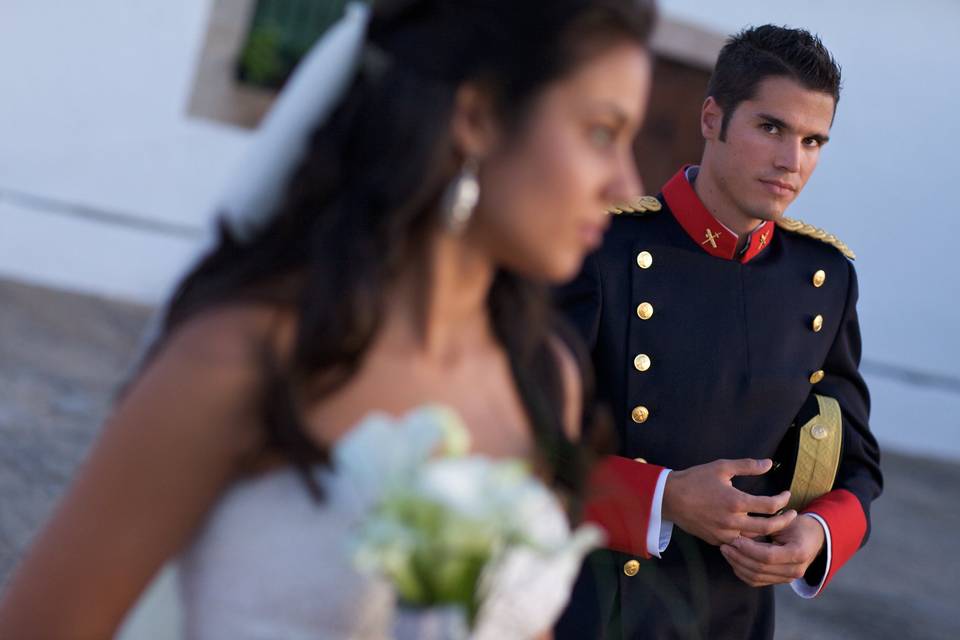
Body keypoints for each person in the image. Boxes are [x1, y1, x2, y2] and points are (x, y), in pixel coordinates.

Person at [0, 1, 658, 638]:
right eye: (601, 132)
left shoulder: (543, 378)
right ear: (479, 116)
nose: (627, 184)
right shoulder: (244, 358)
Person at [555, 25, 883, 640]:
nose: (793, 161)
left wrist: (815, 534)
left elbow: (857, 466)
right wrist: (665, 497)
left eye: (813, 141)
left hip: (734, 617)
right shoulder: (604, 251)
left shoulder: (824, 278)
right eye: (771, 128)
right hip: (598, 607)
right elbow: (524, 448)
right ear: (712, 118)